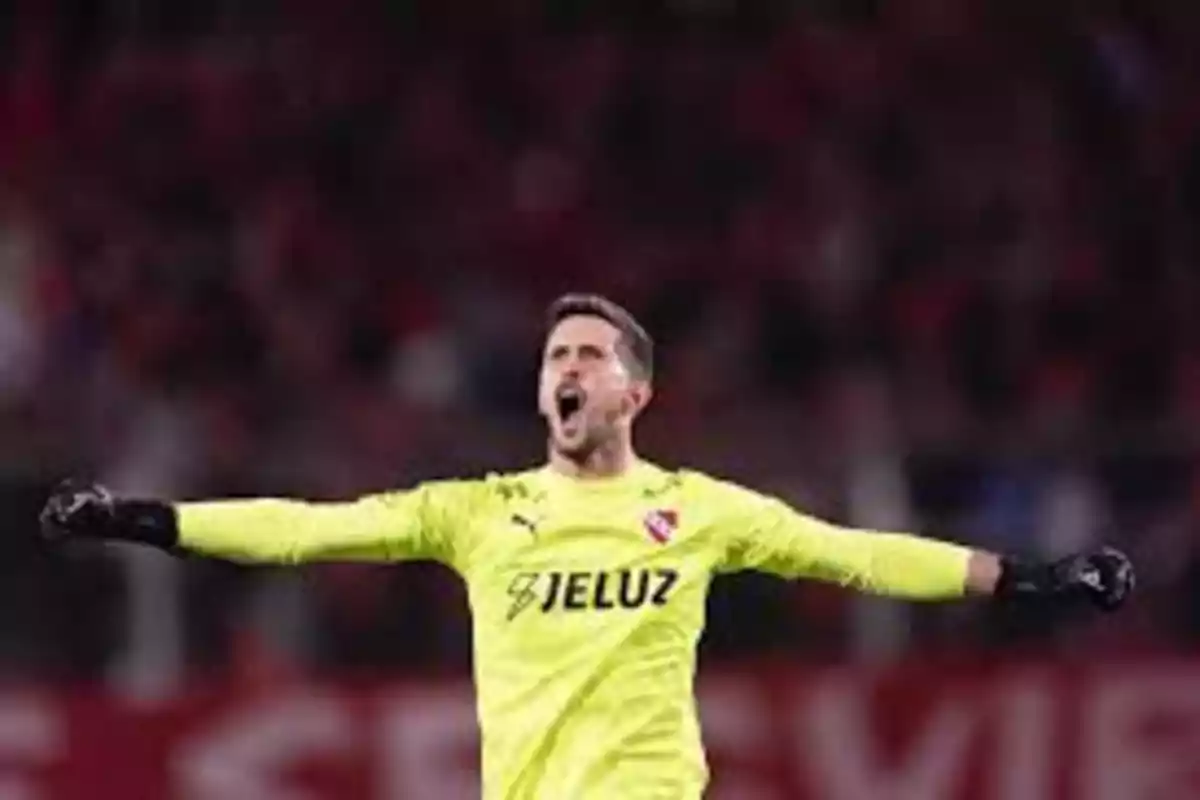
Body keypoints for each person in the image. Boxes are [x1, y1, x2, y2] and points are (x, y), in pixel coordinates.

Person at [40, 293, 1134, 800]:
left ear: (636, 388)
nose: (564, 365)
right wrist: (147, 518)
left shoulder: (700, 507)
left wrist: (1025, 576)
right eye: (553, 352)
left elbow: (854, 552)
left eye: (589, 352)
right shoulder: (475, 509)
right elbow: (308, 530)